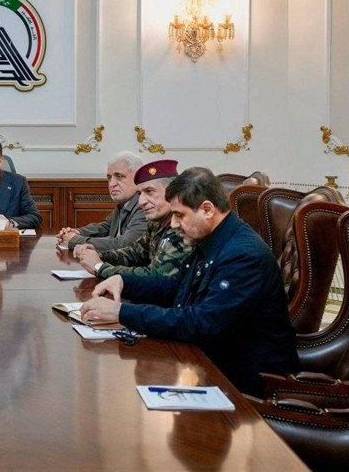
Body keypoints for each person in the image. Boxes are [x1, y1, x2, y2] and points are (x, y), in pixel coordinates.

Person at [80, 167, 299, 396]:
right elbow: (177, 287)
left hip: (245, 382)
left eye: (180, 215)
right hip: (209, 361)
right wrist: (124, 282)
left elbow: (201, 323)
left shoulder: (242, 255)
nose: (174, 224)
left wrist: (121, 312)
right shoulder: (213, 237)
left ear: (207, 209)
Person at [76, 159, 192, 280]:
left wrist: (100, 267)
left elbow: (156, 277)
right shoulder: (157, 222)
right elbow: (136, 252)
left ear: (173, 193)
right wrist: (100, 255)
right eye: (139, 194)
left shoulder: (182, 227)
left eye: (149, 192)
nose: (141, 201)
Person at [56, 150, 147, 251]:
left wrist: (75, 240)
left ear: (138, 178)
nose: (112, 184)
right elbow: (105, 227)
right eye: (109, 178)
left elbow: (125, 244)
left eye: (119, 177)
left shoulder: (145, 206)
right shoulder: (124, 203)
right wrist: (78, 232)